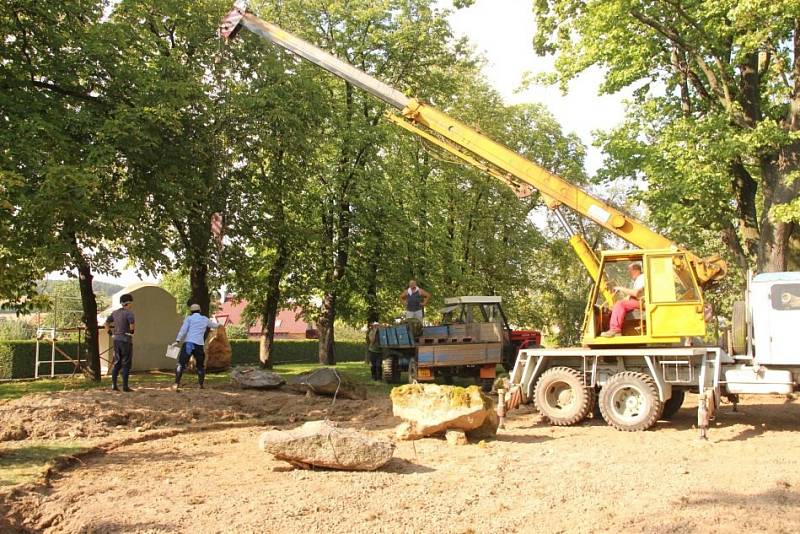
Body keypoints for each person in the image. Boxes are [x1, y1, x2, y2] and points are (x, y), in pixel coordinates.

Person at [172, 303, 219, 390]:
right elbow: (214, 325)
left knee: (181, 364)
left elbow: (183, 330)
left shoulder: (189, 319)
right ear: (200, 310)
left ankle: (176, 384)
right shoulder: (205, 319)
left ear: (191, 311)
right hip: (199, 345)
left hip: (189, 344)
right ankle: (200, 385)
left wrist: (177, 340)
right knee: (200, 366)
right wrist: (220, 324)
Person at [601, 263, 645, 337]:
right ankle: (613, 328)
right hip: (638, 301)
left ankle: (615, 330)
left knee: (620, 304)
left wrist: (620, 288)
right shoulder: (638, 280)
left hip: (642, 302)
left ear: (636, 270)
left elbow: (636, 293)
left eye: (630, 271)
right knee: (618, 304)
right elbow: (630, 296)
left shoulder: (642, 278)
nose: (629, 273)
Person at [105, 293, 135, 392]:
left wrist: (110, 333)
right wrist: (131, 333)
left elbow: (106, 323)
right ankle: (125, 386)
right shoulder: (129, 313)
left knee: (117, 362)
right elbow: (132, 326)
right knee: (126, 363)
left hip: (116, 340)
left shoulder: (115, 313)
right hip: (126, 340)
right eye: (131, 303)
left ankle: (114, 385)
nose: (132, 305)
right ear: (128, 303)